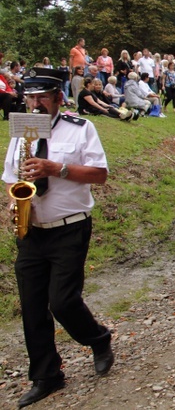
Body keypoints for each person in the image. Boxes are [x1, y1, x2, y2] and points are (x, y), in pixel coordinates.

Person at [2, 68, 115, 408]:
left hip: (70, 227)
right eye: (30, 97)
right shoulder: (21, 129)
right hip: (33, 229)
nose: (34, 104)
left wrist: (57, 169)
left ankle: (98, 338)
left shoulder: (82, 129)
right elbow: (11, 175)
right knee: (33, 307)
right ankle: (46, 376)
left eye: (42, 98)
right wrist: (14, 199)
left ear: (58, 98)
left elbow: (100, 175)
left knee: (62, 301)